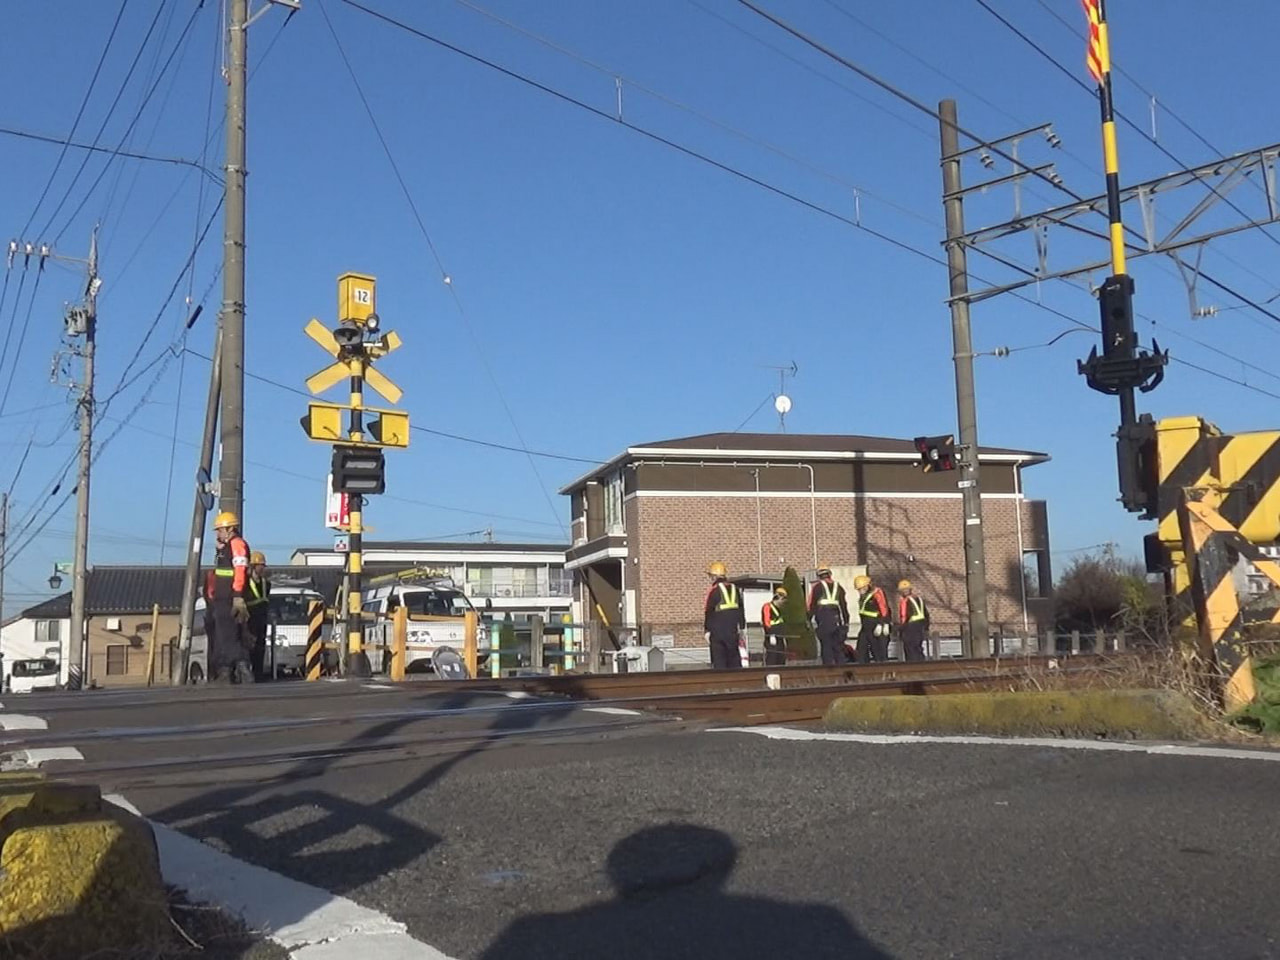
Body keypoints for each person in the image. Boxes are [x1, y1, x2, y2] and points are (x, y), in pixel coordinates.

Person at [209, 511, 254, 684]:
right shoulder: (227, 547)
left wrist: (237, 595)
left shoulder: (238, 545)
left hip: (230, 597)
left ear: (230, 529)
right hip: (223, 596)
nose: (218, 533)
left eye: (220, 530)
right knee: (225, 635)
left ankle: (235, 669)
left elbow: (240, 571)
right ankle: (228, 670)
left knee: (229, 634)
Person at [703, 561, 746, 670]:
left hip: (717, 632)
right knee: (734, 660)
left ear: (714, 576)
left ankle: (722, 683)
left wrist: (707, 630)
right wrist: (742, 627)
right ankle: (737, 683)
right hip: (732, 631)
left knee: (719, 662)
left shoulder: (714, 591)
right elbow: (741, 609)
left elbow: (709, 611)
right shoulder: (735, 589)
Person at [807, 565, 850, 665]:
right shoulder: (838, 587)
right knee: (838, 647)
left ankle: (828, 670)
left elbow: (811, 605)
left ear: (819, 576)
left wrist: (808, 619)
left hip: (824, 619)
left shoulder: (817, 587)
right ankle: (841, 669)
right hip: (837, 619)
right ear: (830, 574)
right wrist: (846, 622)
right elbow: (844, 605)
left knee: (826, 646)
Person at [853, 574, 891, 663]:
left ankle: (880, 667)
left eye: (861, 588)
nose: (860, 591)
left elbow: (883, 608)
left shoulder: (877, 593)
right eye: (858, 589)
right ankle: (863, 667)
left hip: (875, 624)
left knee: (877, 649)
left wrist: (883, 623)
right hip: (866, 626)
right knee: (861, 648)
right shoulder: (864, 596)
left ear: (867, 586)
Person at [246, 551, 272, 680]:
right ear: (252, 566)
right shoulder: (245, 583)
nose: (262, 568)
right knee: (250, 647)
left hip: (261, 620)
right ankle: (249, 673)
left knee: (260, 647)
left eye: (262, 566)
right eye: (259, 565)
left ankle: (258, 673)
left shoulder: (266, 583)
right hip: (249, 620)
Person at [896, 579, 930, 662]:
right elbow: (926, 614)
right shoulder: (918, 599)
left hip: (910, 628)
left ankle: (912, 667)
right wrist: (926, 628)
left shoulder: (906, 601)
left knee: (910, 649)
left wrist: (900, 629)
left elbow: (905, 616)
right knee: (918, 649)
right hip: (920, 627)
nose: (905, 591)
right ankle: (921, 666)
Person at [761, 585, 789, 666]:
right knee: (772, 656)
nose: (783, 602)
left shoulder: (781, 608)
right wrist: (771, 634)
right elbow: (766, 621)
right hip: (772, 636)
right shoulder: (767, 606)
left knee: (781, 656)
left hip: (780, 636)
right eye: (782, 599)